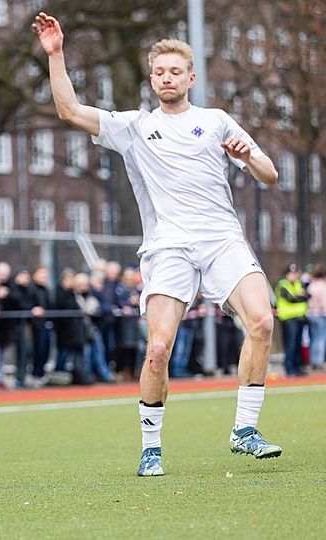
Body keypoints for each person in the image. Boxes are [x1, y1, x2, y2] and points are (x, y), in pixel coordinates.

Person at [35, 12, 282, 477]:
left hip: (221, 239)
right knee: (158, 349)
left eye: (176, 71)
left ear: (191, 77)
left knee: (263, 321)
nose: (167, 78)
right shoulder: (134, 126)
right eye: (160, 72)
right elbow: (69, 110)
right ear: (152, 79)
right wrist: (56, 55)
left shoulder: (215, 121)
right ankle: (151, 447)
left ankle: (244, 430)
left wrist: (250, 156)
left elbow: (269, 174)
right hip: (168, 246)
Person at [275, 263, 308, 377]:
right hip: (289, 319)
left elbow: (307, 295)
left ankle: (297, 367)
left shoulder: (299, 283)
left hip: (300, 318)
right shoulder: (283, 284)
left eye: (295, 273)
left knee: (298, 344)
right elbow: (291, 299)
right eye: (291, 273)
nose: (294, 276)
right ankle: (290, 368)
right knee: (291, 345)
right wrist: (301, 296)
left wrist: (300, 296)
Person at [306, 266, 326, 371]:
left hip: (310, 314)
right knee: (321, 339)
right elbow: (324, 302)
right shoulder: (322, 286)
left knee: (313, 339)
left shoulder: (311, 285)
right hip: (320, 314)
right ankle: (319, 362)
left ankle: (313, 361)